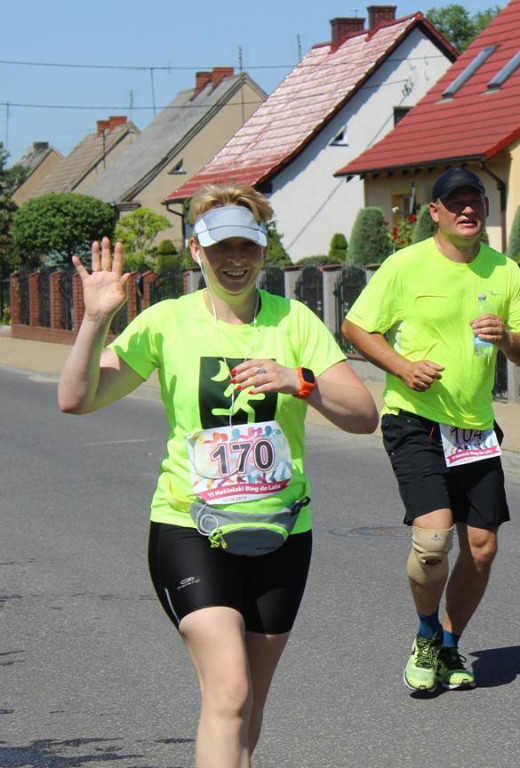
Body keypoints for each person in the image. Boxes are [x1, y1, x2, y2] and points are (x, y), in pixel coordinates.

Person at [58, 183, 379, 766]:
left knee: (248, 703)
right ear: (196, 252)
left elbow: (363, 416)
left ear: (263, 249)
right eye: (220, 247)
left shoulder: (294, 321)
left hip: (282, 531)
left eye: (248, 247)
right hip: (190, 528)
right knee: (228, 689)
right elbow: (76, 398)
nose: (235, 260)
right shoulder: (167, 322)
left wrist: (298, 380)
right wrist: (95, 321)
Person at [342, 168, 520, 693]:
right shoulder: (405, 266)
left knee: (481, 548)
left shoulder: (505, 273)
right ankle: (426, 634)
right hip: (414, 419)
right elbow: (356, 327)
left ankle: (450, 644)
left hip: (474, 428)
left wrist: (508, 341)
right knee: (433, 542)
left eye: (475, 201)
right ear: (434, 212)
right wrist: (402, 367)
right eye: (455, 203)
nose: (467, 210)